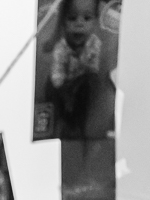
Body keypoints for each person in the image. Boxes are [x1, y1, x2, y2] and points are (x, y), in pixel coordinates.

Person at [40, 0, 106, 140]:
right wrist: (65, 90)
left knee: (90, 85)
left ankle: (78, 122)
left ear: (95, 21)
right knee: (54, 94)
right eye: (72, 18)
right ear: (63, 22)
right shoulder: (61, 48)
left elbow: (92, 69)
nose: (79, 24)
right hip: (61, 84)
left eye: (87, 18)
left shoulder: (94, 44)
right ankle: (63, 120)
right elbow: (57, 75)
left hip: (81, 81)